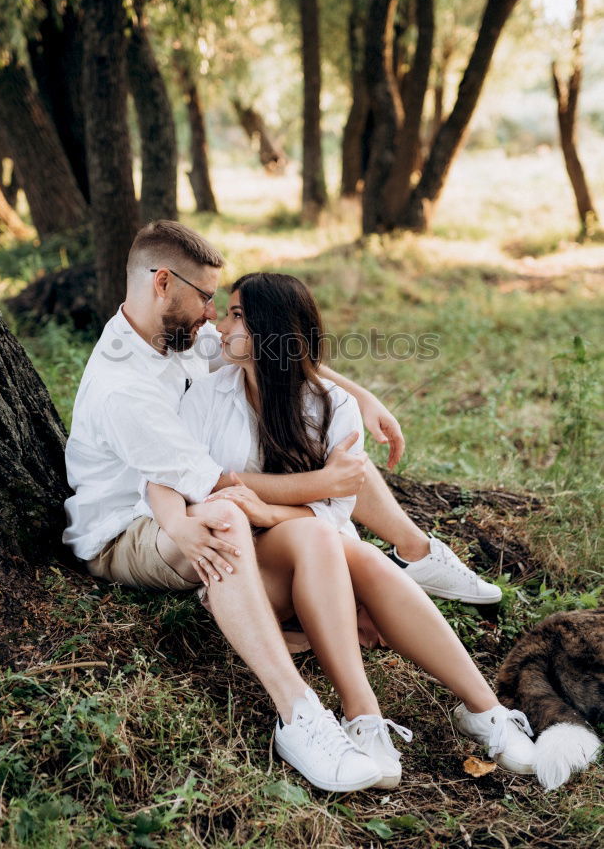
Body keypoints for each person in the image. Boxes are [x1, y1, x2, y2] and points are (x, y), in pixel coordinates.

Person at [62, 221, 509, 792]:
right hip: (129, 527)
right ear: (164, 283)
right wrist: (323, 481)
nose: (211, 317)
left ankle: (414, 553)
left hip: (182, 502)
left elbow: (274, 348)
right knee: (234, 513)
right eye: (206, 298)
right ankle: (298, 715)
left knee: (341, 474)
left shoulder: (171, 331)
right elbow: (214, 485)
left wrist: (359, 397)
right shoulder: (127, 386)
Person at [176, 272, 536, 786]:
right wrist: (293, 493)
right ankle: (360, 711)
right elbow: (202, 489)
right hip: (241, 581)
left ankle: (484, 711)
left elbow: (336, 513)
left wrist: (271, 510)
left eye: (237, 315)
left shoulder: (331, 405)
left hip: (314, 566)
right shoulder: (207, 394)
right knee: (335, 543)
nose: (221, 323)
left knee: (353, 549)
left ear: (272, 333)